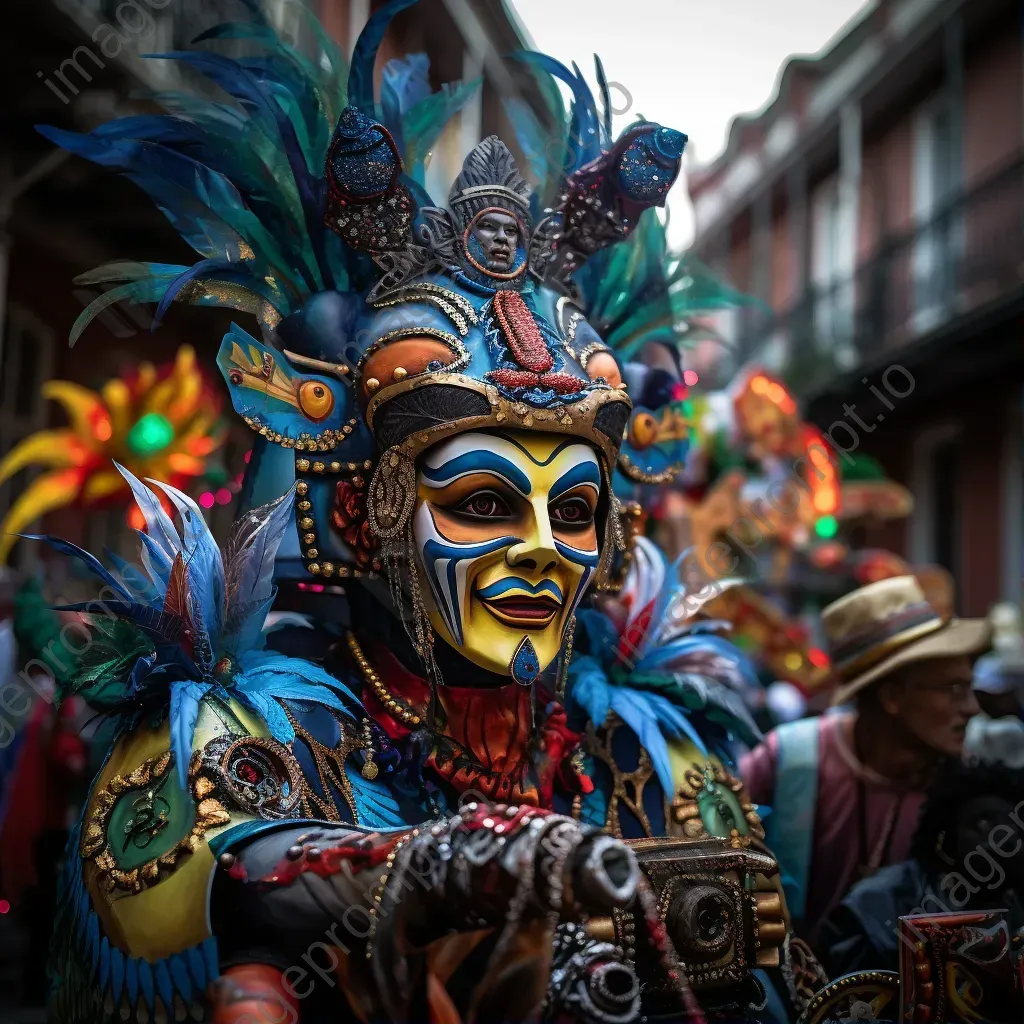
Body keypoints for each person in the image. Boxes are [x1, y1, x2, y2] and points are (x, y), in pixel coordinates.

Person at [740, 575, 990, 947]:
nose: (971, 707)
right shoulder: (789, 760)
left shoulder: (972, 786)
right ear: (891, 696)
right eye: (953, 689)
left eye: (970, 688)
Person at [819, 760, 1024, 976]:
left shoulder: (1014, 896)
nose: (1002, 839)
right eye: (982, 823)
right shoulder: (885, 899)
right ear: (945, 840)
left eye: (1011, 827)